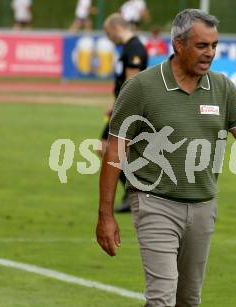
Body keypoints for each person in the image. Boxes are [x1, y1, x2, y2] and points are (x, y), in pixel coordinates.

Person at [96, 9, 236, 306]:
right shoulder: (141, 87)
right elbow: (115, 151)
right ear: (179, 45)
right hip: (154, 203)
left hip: (204, 207)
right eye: (202, 46)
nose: (210, 53)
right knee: (161, 298)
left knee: (188, 300)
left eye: (214, 46)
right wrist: (106, 215)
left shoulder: (223, 87)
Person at [98, 13, 149, 213]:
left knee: (107, 148)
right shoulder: (127, 48)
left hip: (128, 108)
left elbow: (131, 84)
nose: (107, 36)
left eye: (106, 32)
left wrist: (119, 106)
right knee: (108, 149)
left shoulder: (135, 48)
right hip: (121, 106)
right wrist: (113, 104)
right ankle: (133, 190)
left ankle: (135, 189)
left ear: (114, 28)